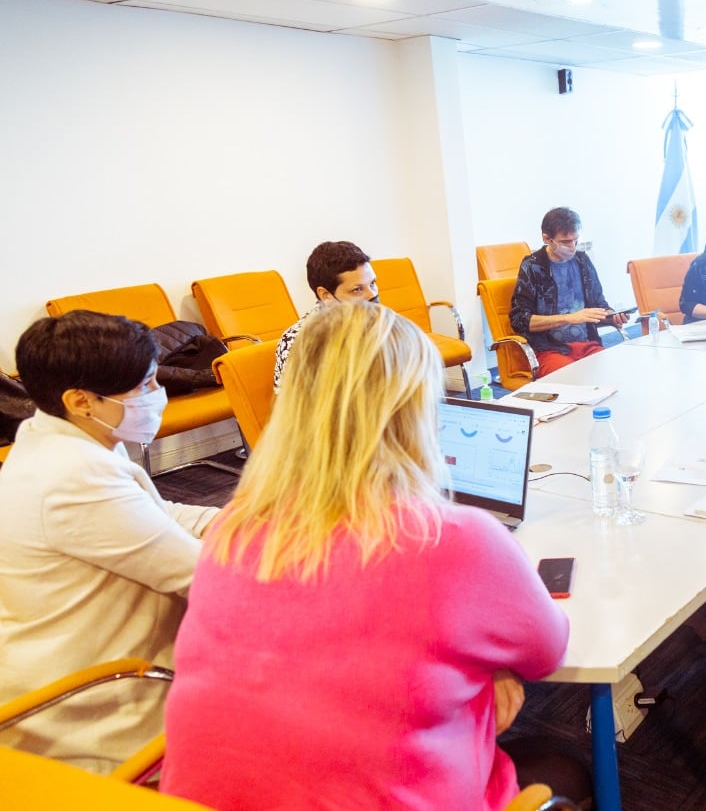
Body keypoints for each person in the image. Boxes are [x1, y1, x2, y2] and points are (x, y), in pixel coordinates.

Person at [161, 303, 576, 810]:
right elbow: (548, 648)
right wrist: (491, 668)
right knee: (566, 768)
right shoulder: (456, 540)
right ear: (417, 411)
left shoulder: (233, 527)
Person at [0, 311, 219, 773]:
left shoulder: (65, 435)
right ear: (81, 400)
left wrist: (242, 519)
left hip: (106, 661)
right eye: (143, 386)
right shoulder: (70, 478)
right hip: (98, 705)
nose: (157, 395)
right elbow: (204, 578)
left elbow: (155, 515)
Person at [509, 206, 627, 376]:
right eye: (565, 242)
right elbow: (519, 320)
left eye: (576, 240)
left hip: (587, 345)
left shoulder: (582, 261)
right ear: (547, 239)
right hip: (549, 350)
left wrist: (611, 317)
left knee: (613, 374)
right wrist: (569, 318)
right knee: (573, 379)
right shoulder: (532, 266)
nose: (572, 246)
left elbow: (599, 305)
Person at [273, 240, 379, 389]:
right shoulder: (299, 342)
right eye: (357, 290)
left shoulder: (378, 323)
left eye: (373, 283)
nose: (372, 294)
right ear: (326, 295)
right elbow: (296, 407)